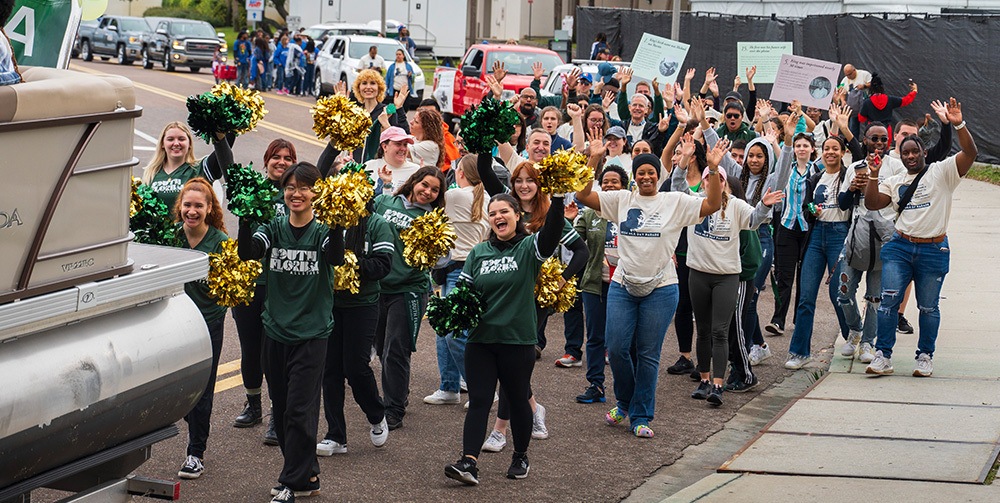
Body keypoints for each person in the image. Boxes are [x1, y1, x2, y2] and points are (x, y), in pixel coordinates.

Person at [574, 126, 723, 437]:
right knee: (615, 349)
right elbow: (583, 195)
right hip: (623, 285)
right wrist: (594, 159)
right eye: (640, 173)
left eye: (650, 173)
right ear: (634, 177)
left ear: (659, 175)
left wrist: (711, 168)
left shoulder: (674, 201)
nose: (645, 177)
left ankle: (641, 415)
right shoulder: (621, 200)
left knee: (647, 353)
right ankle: (625, 402)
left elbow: (712, 205)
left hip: (661, 288)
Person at [237, 163, 345, 503]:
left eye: (304, 187)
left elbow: (337, 257)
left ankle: (289, 481)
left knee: (299, 409)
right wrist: (244, 216)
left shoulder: (324, 231)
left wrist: (341, 221)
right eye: (290, 187)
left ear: (317, 192)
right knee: (283, 410)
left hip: (312, 334)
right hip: (276, 330)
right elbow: (248, 252)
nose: (296, 193)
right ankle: (307, 473)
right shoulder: (273, 227)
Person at [443, 187, 566, 485]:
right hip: (481, 341)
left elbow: (552, 232)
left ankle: (520, 455)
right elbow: (463, 291)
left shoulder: (528, 248)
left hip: (517, 340)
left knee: (516, 399)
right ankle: (469, 462)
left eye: (504, 212)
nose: (498, 217)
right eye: (493, 213)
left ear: (517, 216)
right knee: (481, 398)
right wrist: (450, 311)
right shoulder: (478, 252)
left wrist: (559, 198)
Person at [475, 152, 588, 450]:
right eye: (518, 181)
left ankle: (500, 429)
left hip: (534, 299)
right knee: (513, 367)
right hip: (501, 292)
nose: (524, 186)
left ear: (541, 184)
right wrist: (487, 136)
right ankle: (535, 409)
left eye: (530, 181)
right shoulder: (505, 208)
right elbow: (484, 168)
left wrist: (561, 279)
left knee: (513, 362)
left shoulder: (550, 215)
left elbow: (582, 252)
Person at [864, 98, 975, 377]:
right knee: (888, 301)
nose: (910, 156)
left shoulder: (942, 172)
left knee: (928, 307)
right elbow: (873, 203)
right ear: (900, 156)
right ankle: (882, 355)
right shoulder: (895, 180)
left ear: (923, 151)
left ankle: (925, 356)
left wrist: (958, 123)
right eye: (905, 153)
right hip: (900, 247)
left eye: (915, 152)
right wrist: (874, 175)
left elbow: (970, 153)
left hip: (933, 249)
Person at [231, 139, 298, 445]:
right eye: (276, 157)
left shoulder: (296, 194)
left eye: (287, 158)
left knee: (274, 354)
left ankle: (276, 413)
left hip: (279, 285)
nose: (281, 162)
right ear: (266, 159)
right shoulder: (253, 187)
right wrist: (221, 136)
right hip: (248, 280)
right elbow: (229, 168)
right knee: (250, 348)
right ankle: (253, 404)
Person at [317, 197, 394, 456]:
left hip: (364, 304)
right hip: (331, 304)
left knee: (356, 367)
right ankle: (335, 435)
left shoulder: (376, 224)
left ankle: (376, 413)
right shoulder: (330, 223)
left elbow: (383, 265)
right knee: (330, 369)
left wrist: (350, 267)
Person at [372, 167, 448, 430]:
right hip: (377, 287)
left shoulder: (434, 219)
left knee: (396, 349)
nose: (427, 192)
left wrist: (436, 246)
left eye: (434, 190)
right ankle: (398, 392)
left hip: (409, 290)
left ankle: (393, 408)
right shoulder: (384, 201)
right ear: (414, 182)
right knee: (381, 348)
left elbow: (443, 259)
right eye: (424, 185)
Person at [784, 134, 859, 369]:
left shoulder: (849, 175)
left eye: (835, 149)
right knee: (806, 297)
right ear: (821, 151)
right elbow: (806, 208)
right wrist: (812, 211)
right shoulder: (815, 178)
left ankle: (853, 336)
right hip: (816, 237)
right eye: (826, 149)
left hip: (840, 235)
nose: (830, 153)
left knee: (839, 294)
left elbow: (859, 153)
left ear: (842, 152)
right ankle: (799, 352)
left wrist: (846, 130)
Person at [173, 179, 230, 480]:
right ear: (179, 206)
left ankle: (196, 453)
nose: (192, 211)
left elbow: (230, 287)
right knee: (177, 387)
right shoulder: (169, 237)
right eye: (187, 205)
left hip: (208, 324)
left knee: (203, 389)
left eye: (198, 206)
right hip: (174, 324)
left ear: (209, 208)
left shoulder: (220, 242)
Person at [424, 156, 490, 406]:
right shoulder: (484, 196)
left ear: (460, 172)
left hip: (459, 270)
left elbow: (428, 198)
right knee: (445, 329)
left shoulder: (457, 195)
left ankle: (479, 387)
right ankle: (449, 386)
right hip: (469, 268)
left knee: (453, 332)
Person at [835, 122, 897, 364]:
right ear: (865, 140)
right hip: (857, 236)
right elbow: (842, 203)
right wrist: (851, 188)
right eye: (874, 139)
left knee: (875, 297)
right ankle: (855, 330)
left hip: (885, 238)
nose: (879, 144)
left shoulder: (896, 167)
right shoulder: (855, 167)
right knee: (843, 292)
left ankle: (868, 342)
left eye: (883, 139)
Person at [572, 163, 629, 403]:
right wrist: (567, 220)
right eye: (605, 181)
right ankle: (596, 385)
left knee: (620, 340)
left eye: (614, 182)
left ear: (624, 187)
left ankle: (626, 389)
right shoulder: (588, 213)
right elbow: (572, 242)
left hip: (624, 284)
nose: (608, 185)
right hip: (595, 283)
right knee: (595, 337)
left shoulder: (630, 210)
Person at [140, 122, 233, 213]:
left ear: (190, 144)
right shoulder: (152, 173)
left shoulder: (200, 169)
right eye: (170, 139)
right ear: (162, 144)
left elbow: (224, 143)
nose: (176, 143)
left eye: (181, 139)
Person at [340, 73, 409, 163]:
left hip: (379, 167)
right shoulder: (354, 113)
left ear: (379, 88)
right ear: (358, 89)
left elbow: (403, 135)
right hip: (355, 167)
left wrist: (399, 108)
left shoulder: (388, 110)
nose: (368, 87)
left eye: (372, 83)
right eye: (364, 83)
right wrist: (340, 109)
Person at [858, 75, 916, 140]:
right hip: (886, 129)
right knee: (885, 147)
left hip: (871, 129)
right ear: (882, 87)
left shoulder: (867, 102)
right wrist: (914, 91)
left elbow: (861, 118)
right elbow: (906, 100)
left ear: (871, 88)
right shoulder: (890, 99)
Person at [366, 126, 420, 194]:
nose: (403, 149)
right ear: (384, 147)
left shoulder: (416, 171)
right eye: (398, 144)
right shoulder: (369, 166)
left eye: (405, 145)